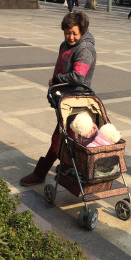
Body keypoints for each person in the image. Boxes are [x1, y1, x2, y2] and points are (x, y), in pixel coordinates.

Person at [20, 11, 96, 186]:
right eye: (67, 32)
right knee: (67, 140)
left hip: (76, 103)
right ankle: (68, 171)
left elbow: (78, 76)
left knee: (59, 139)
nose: (70, 36)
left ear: (82, 31)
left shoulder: (84, 49)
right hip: (63, 100)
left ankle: (41, 173)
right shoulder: (65, 45)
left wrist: (56, 80)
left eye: (75, 33)